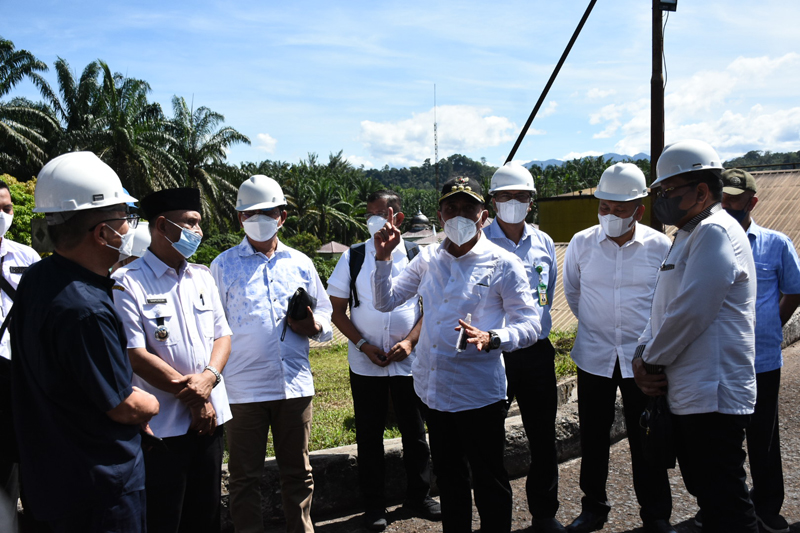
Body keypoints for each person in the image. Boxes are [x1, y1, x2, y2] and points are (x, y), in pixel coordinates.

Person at [371, 175, 541, 533]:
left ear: (484, 215)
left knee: (489, 479)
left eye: (469, 208)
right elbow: (386, 301)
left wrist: (494, 336)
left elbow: (531, 326)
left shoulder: (503, 263)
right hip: (434, 392)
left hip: (478, 393)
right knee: (449, 479)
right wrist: (383, 260)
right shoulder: (428, 259)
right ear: (441, 214)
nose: (460, 215)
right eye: (452, 208)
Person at [10, 151, 160, 531]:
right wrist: (152, 402)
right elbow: (123, 406)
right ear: (102, 233)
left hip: (51, 479)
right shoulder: (86, 308)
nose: (129, 228)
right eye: (124, 219)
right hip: (99, 490)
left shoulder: (38, 278)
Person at [633, 140, 758, 533]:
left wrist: (649, 360)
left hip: (713, 394)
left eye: (667, 192)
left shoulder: (714, 232)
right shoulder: (689, 234)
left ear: (702, 192)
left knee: (727, 503)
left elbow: (691, 312)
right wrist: (642, 350)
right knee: (710, 497)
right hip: (692, 393)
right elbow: (664, 307)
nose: (661, 202)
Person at [211, 175, 333, 533]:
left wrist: (313, 327)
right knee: (243, 478)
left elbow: (325, 313)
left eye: (268, 211)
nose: (260, 218)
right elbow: (214, 329)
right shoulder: (223, 265)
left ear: (282, 216)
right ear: (239, 218)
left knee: (298, 473)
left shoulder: (300, 262)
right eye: (251, 212)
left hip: (293, 387)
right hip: (243, 391)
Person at [112, 188, 232, 533]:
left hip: (210, 422)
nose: (198, 232)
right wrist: (195, 398)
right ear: (162, 226)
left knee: (207, 514)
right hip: (163, 428)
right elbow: (136, 354)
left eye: (199, 224)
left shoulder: (202, 276)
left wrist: (208, 379)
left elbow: (222, 336)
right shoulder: (127, 283)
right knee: (166, 518)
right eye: (190, 223)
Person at [562, 163, 674, 533]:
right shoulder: (581, 243)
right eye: (604, 207)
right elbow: (574, 294)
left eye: (619, 209)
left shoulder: (660, 246)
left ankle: (655, 513)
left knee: (648, 438)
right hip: (594, 356)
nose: (609, 215)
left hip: (644, 359)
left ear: (639, 210)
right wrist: (600, 328)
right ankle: (594, 507)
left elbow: (665, 302)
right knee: (593, 438)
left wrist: (644, 345)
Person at [327, 190, 439, 531]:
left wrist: (409, 341)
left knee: (415, 431)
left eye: (383, 214)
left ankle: (419, 496)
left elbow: (430, 308)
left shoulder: (420, 256)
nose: (375, 221)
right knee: (369, 434)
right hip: (366, 362)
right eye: (370, 215)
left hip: (409, 360)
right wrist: (362, 344)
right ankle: (374, 506)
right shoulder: (354, 257)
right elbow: (337, 311)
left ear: (399, 219)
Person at [482, 163, 564, 533]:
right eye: (504, 196)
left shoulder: (544, 243)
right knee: (487, 440)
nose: (512, 202)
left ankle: (544, 514)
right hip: (492, 353)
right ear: (493, 200)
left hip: (535, 351)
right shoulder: (478, 242)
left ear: (531, 201)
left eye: (520, 196)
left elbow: (548, 293)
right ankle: (494, 519)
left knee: (543, 435)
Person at [719, 168, 800, 533]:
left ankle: (767, 506)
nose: (727, 204)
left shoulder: (776, 243)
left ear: (752, 201)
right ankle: (721, 504)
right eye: (723, 196)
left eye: (735, 198)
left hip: (762, 360)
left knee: (763, 437)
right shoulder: (708, 241)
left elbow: (794, 291)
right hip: (718, 359)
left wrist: (769, 326)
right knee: (721, 438)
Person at [0, 179, 41, 530]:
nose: (3, 214)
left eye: (7, 208)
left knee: (33, 466)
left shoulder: (26, 256)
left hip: (21, 375)